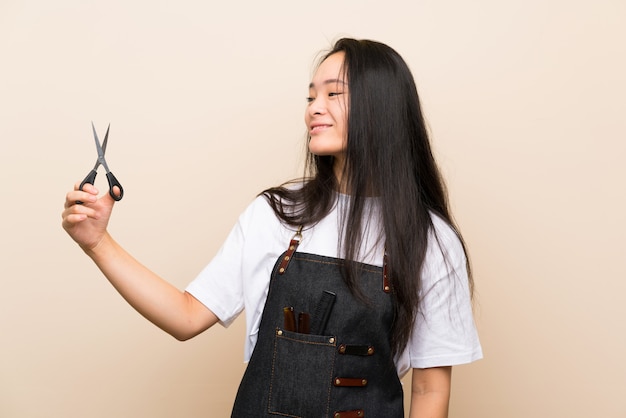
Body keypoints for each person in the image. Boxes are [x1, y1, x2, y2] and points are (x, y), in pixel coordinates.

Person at [62, 38, 482, 418]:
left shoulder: (431, 240)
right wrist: (98, 243)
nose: (313, 108)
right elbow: (185, 317)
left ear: (382, 106)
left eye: (334, 93)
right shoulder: (277, 212)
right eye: (311, 96)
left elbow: (429, 390)